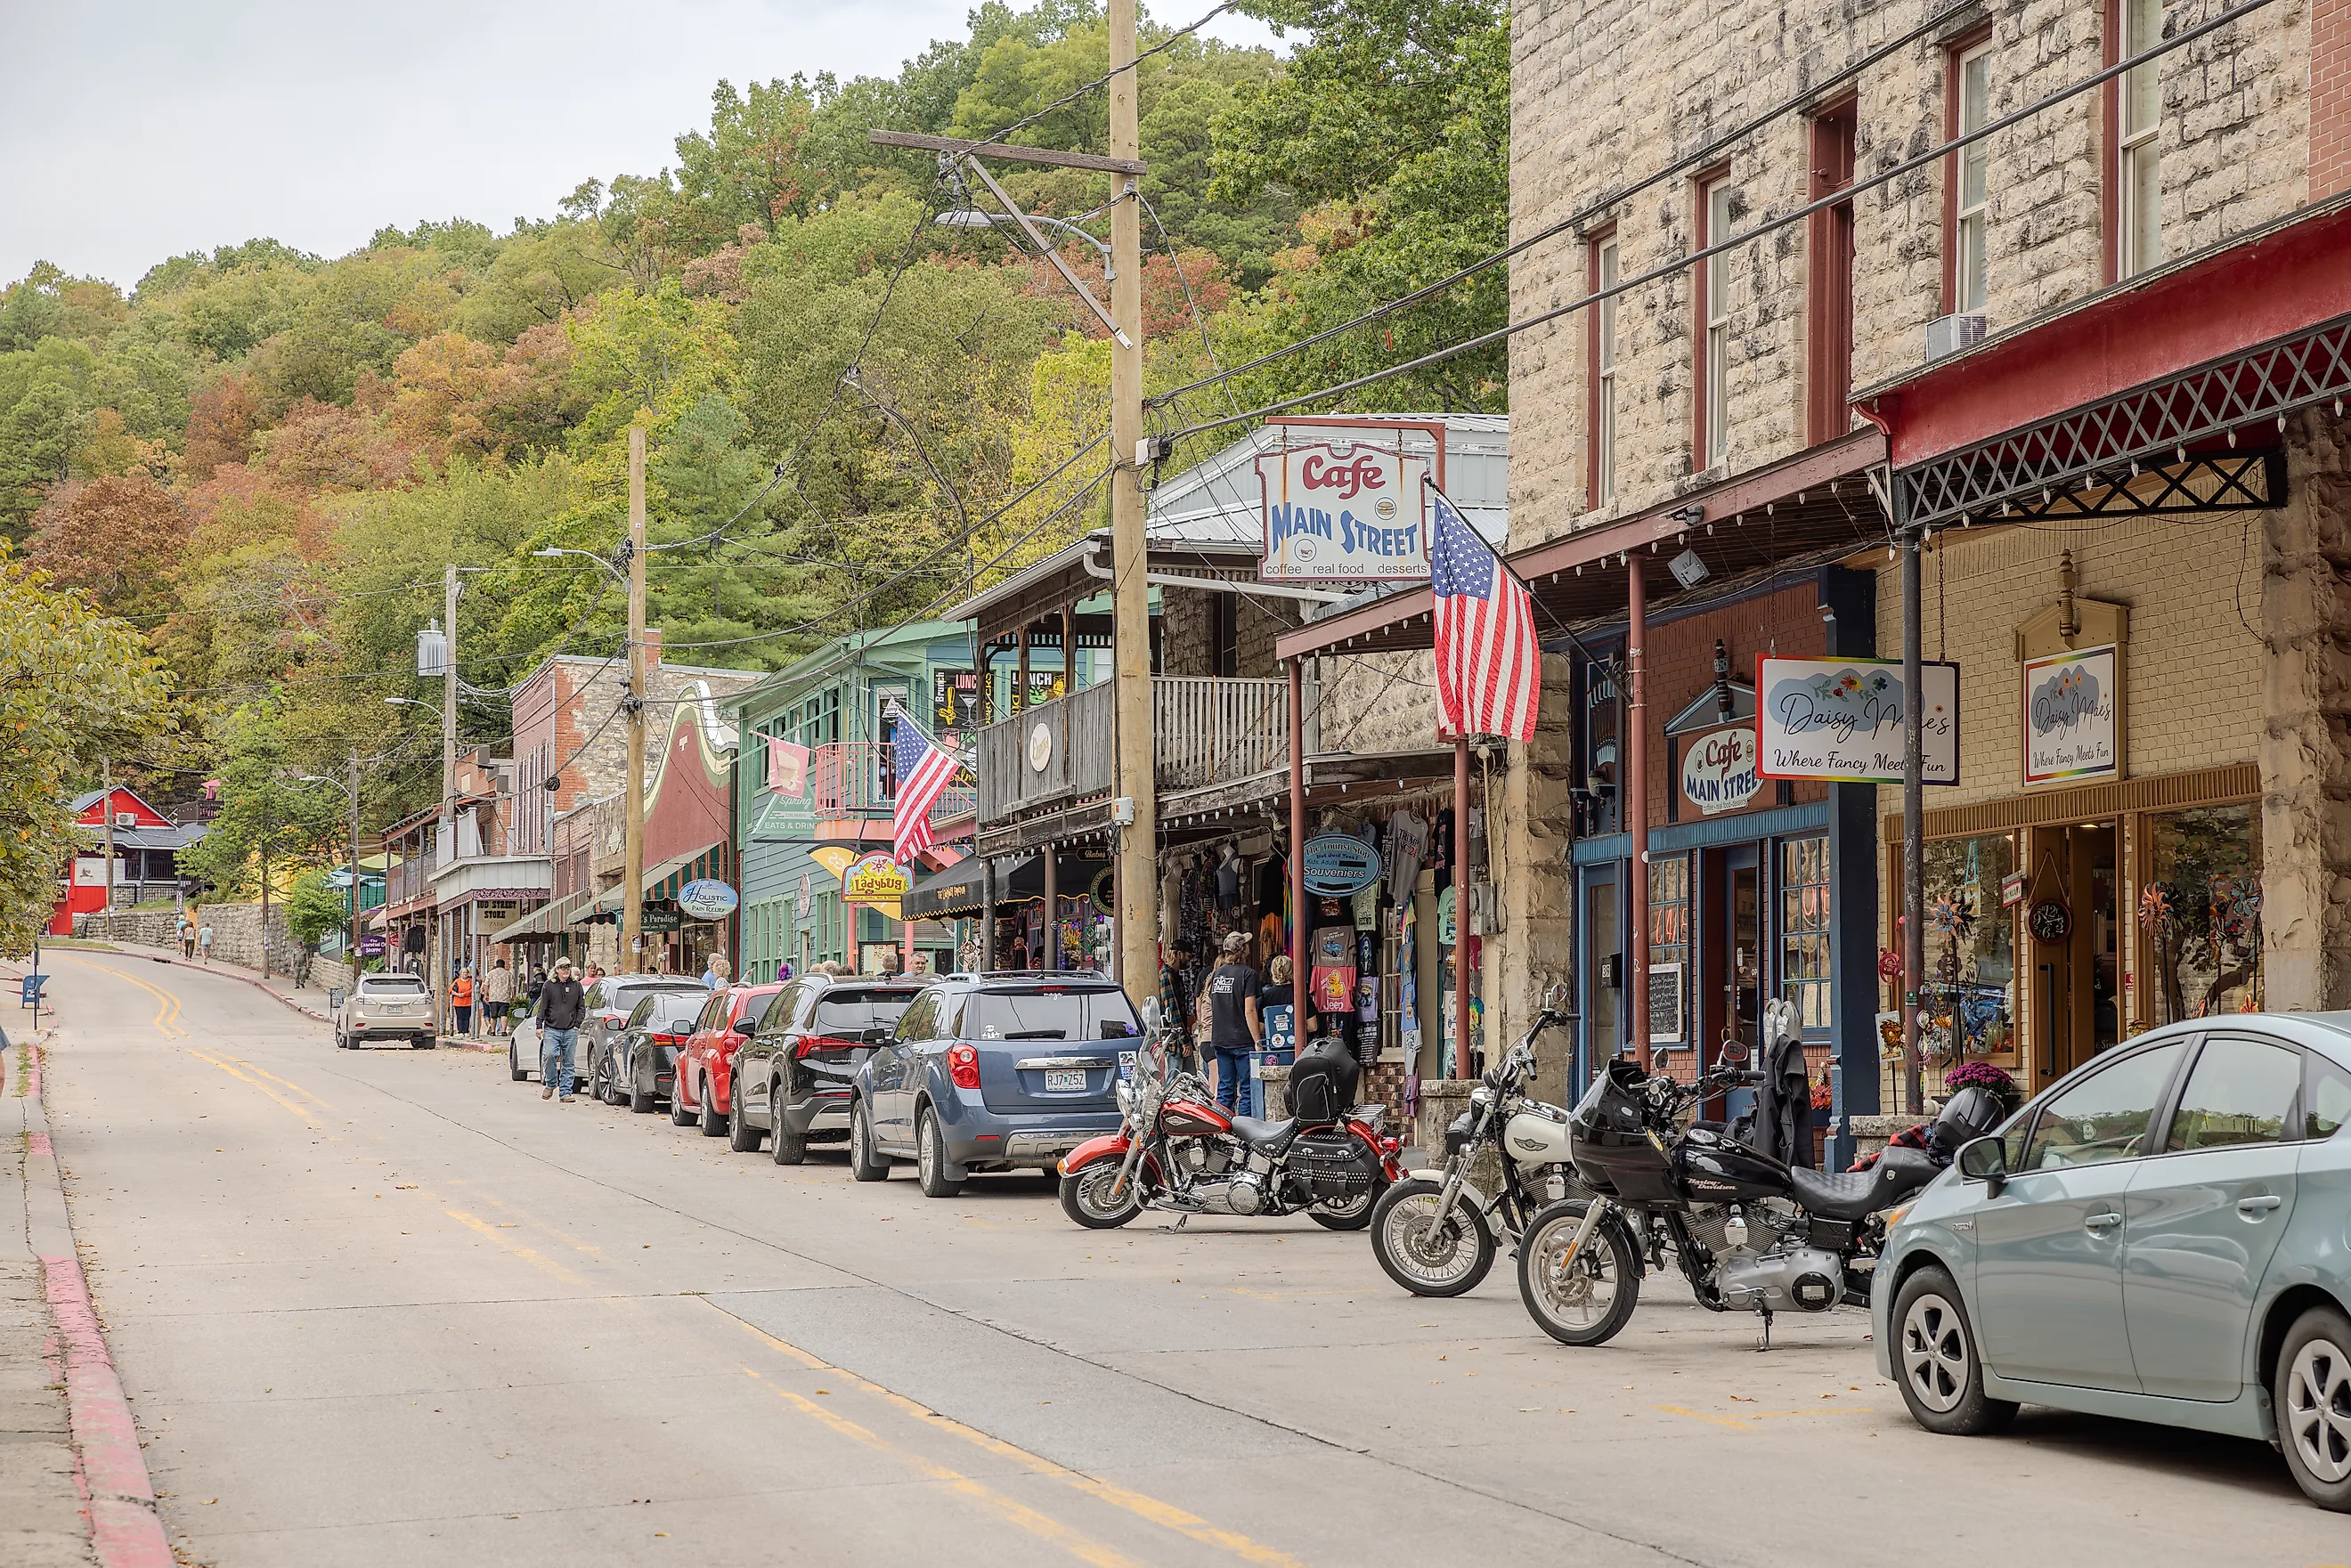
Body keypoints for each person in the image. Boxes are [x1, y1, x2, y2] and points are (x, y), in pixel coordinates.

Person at [1203, 931, 1262, 1115]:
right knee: (1246, 1090)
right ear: (1243, 950)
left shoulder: (1216, 975)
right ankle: (1243, 1133)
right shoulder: (1248, 974)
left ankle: (1223, 1130)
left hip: (1220, 1040)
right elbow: (1250, 1010)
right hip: (1243, 1040)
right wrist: (1258, 1041)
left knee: (1225, 1090)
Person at [534, 957, 586, 1102]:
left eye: (568, 968)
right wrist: (539, 1026)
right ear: (556, 970)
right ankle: (551, 1083)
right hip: (552, 1028)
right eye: (563, 968)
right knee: (550, 1055)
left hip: (570, 1030)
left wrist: (577, 1024)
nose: (566, 971)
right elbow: (542, 1007)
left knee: (568, 1062)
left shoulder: (576, 986)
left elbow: (581, 1007)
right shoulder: (548, 986)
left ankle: (565, 1093)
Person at [1159, 939, 1196, 1070]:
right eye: (1188, 956)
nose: (1189, 961)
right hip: (1175, 1041)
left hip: (1178, 1037)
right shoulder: (1166, 976)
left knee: (1189, 1080)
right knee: (1175, 1080)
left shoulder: (1173, 975)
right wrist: (1184, 1040)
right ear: (1179, 954)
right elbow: (1172, 1010)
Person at [480, 959, 514, 1036]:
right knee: (504, 1015)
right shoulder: (508, 974)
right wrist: (513, 996)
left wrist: (486, 995)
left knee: (493, 1015)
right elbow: (513, 986)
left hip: (493, 997)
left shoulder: (491, 973)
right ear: (504, 965)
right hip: (505, 997)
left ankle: (492, 1031)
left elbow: (486, 984)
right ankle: (504, 1031)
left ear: (497, 964)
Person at [450, 967, 475, 1036]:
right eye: (463, 972)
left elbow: (472, 990)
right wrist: (457, 994)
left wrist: (464, 994)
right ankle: (460, 1031)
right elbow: (450, 990)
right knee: (460, 1017)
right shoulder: (457, 981)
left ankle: (466, 1031)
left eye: (466, 972)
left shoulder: (471, 981)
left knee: (467, 1017)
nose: (465, 974)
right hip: (458, 1002)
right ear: (461, 974)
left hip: (468, 1002)